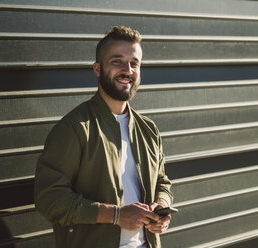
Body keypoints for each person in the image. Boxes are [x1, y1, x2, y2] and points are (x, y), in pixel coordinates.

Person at [34, 26, 173, 248]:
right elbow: (49, 199)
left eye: (134, 63)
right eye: (117, 61)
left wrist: (161, 207)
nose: (127, 70)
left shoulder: (148, 129)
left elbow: (162, 182)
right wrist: (115, 215)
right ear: (97, 69)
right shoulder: (75, 127)